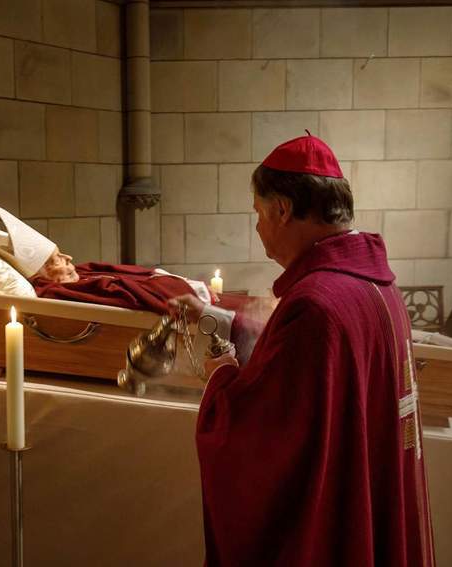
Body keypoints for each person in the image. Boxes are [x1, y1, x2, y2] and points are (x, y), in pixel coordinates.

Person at [169, 133, 435, 566]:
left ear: (282, 209)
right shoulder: (376, 287)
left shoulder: (316, 302)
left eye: (258, 213)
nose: (257, 228)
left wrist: (220, 377)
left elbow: (262, 440)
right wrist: (216, 317)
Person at [0, 205, 213, 313]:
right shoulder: (59, 292)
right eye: (57, 258)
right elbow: (127, 294)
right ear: (43, 276)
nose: (69, 258)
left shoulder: (82, 273)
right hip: (190, 307)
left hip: (192, 296)